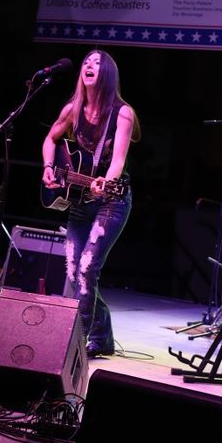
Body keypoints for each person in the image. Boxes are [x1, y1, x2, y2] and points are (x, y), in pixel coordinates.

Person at [42, 49, 141, 358]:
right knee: (74, 272)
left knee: (87, 267)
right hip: (79, 202)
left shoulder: (122, 113)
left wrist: (104, 183)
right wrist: (48, 167)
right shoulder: (73, 109)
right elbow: (50, 140)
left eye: (96, 63)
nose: (88, 65)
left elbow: (119, 161)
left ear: (107, 74)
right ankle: (103, 334)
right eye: (86, 62)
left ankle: (80, 341)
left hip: (111, 201)